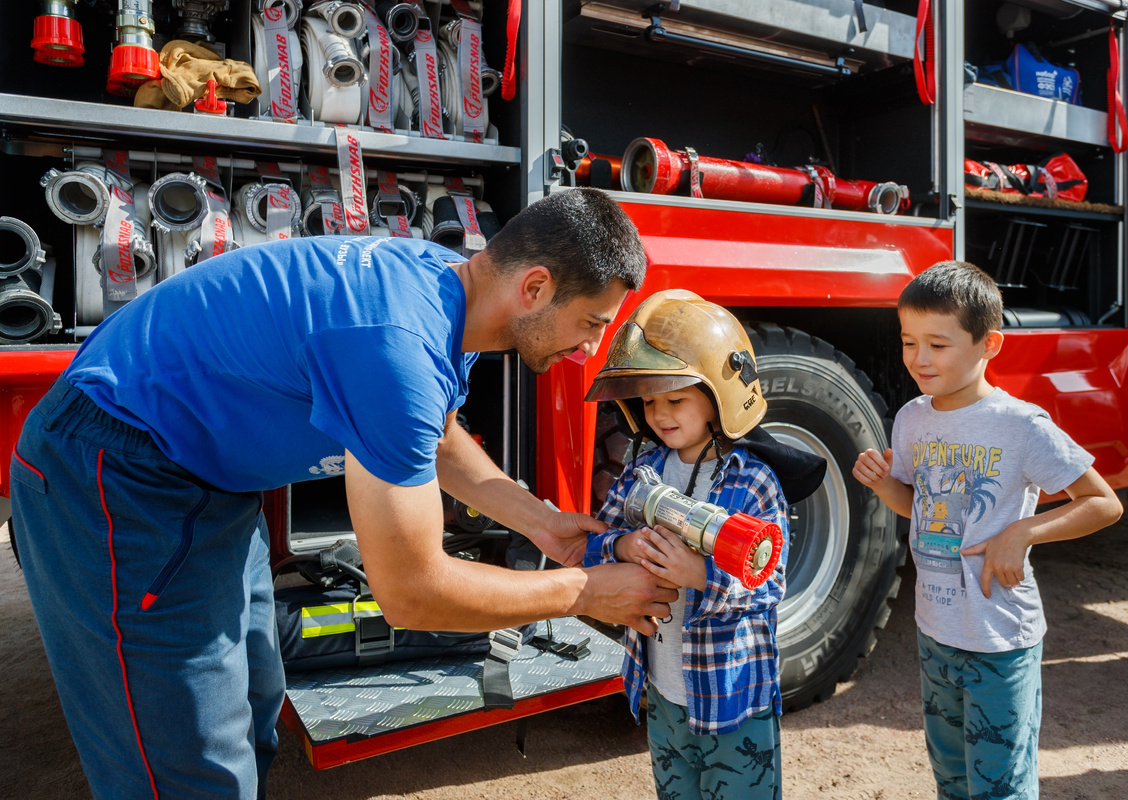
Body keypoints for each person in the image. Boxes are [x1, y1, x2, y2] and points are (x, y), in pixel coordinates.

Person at [9, 187, 679, 800]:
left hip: (204, 474)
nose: (591, 349)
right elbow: (412, 592)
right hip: (114, 472)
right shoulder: (396, 343)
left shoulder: (449, 293)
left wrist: (541, 522)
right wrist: (586, 592)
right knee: (185, 767)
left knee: (253, 702)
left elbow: (435, 436)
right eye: (591, 323)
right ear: (535, 287)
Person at [852, 261, 1124, 800]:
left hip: (1000, 639)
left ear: (988, 344)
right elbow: (920, 506)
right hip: (936, 631)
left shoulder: (1021, 425)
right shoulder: (911, 418)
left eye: (938, 344)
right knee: (952, 778)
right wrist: (885, 487)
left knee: (1000, 787)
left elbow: (1103, 503)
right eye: (909, 342)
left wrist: (1023, 531)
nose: (919, 359)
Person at [582, 290, 826, 800]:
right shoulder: (642, 468)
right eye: (649, 401)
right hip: (664, 695)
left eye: (675, 399)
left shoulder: (753, 481)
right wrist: (624, 549)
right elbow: (596, 541)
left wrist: (699, 575)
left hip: (733, 699)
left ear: (719, 398)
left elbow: (770, 583)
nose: (659, 415)